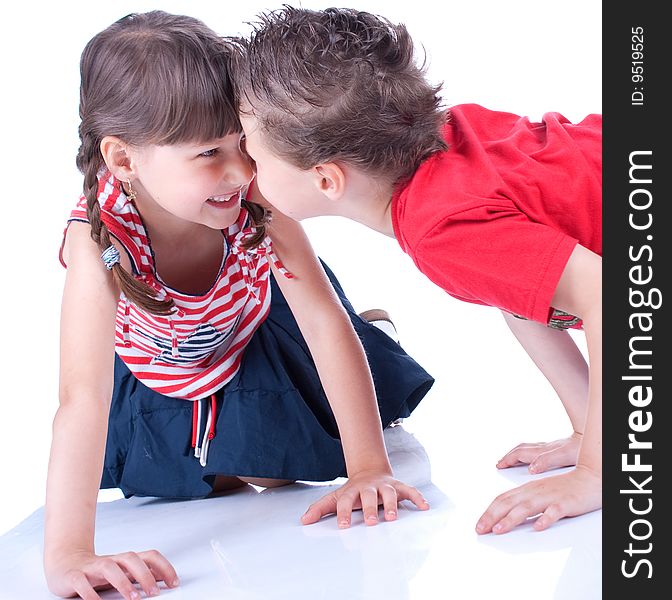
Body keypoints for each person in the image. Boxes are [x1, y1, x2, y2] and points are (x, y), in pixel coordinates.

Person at [46, 11, 435, 599]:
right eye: (208, 153)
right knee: (207, 481)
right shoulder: (98, 241)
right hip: (166, 363)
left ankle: (366, 346)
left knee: (278, 468)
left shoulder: (256, 194)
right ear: (124, 161)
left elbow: (323, 324)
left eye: (243, 144)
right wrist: (70, 554)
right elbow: (81, 395)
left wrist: (369, 468)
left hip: (252, 328)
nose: (239, 170)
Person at [232, 6, 602, 535]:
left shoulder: (441, 230)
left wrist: (597, 470)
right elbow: (533, 294)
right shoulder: (452, 139)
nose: (244, 168)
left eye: (253, 152)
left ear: (326, 179)